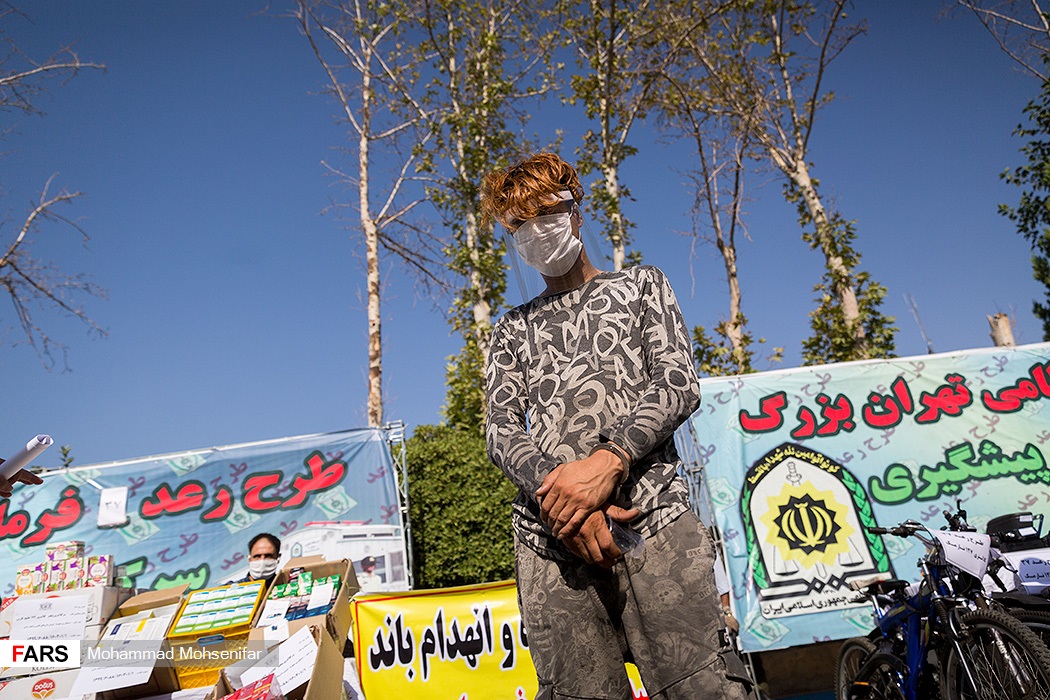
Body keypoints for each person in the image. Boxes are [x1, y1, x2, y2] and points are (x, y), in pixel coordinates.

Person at [482, 152, 749, 700]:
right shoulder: (511, 329)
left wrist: (610, 461)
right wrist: (567, 502)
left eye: (546, 214)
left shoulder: (642, 286)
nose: (536, 231)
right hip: (551, 540)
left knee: (701, 687)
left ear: (576, 212)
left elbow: (677, 382)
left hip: (653, 520)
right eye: (519, 224)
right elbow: (501, 429)